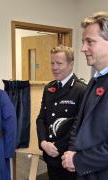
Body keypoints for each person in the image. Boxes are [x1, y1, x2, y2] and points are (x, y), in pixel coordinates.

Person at [61, 12, 108, 180]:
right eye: (84, 42)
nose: (83, 48)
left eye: (89, 42)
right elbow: (81, 121)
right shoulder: (95, 79)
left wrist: (79, 160)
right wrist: (72, 151)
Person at [36, 45, 87, 180]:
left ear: (70, 64)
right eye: (52, 63)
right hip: (49, 154)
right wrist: (43, 143)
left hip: (68, 157)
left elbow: (80, 125)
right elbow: (41, 119)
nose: (54, 67)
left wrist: (57, 147)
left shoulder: (81, 90)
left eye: (59, 63)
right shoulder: (49, 88)